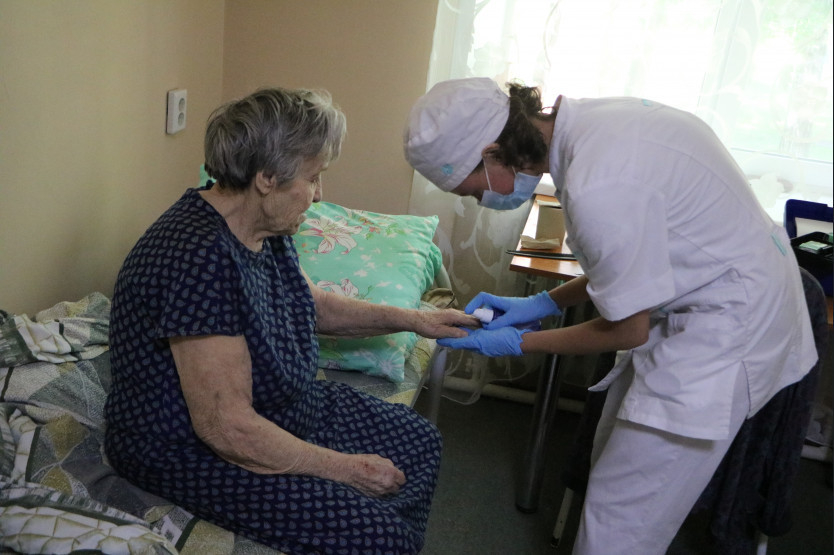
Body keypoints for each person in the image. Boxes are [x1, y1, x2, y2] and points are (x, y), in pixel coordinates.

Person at [403, 77, 818, 554]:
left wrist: (519, 342)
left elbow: (628, 328)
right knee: (608, 466)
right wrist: (543, 303)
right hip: (710, 297)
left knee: (620, 522)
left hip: (726, 334)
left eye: (473, 192)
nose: (480, 202)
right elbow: (630, 268)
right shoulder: (595, 126)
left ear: (494, 153)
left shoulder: (597, 182)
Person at [104, 87, 476, 555]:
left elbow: (312, 304)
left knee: (420, 441)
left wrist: (416, 319)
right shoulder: (197, 259)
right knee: (383, 538)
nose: (319, 195)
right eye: (313, 178)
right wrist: (347, 469)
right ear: (266, 178)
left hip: (281, 408)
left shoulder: (264, 223)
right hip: (190, 449)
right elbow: (227, 428)